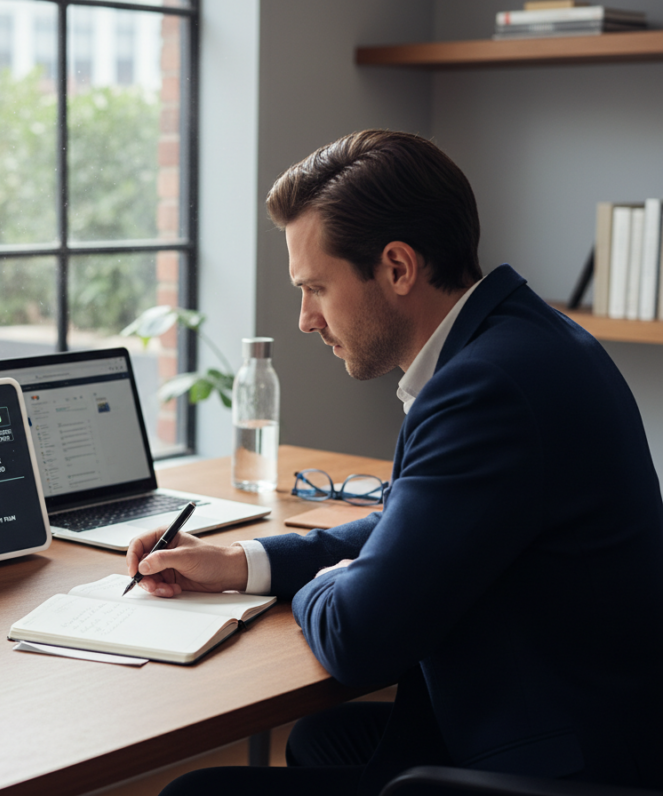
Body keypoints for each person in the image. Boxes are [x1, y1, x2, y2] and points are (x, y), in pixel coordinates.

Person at [126, 130, 663, 796]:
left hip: (557, 766)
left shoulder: (486, 390)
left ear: (398, 268)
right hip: (572, 716)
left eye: (316, 288)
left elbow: (358, 637)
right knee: (321, 739)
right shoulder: (525, 341)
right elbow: (412, 523)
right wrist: (243, 565)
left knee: (195, 794)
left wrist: (338, 582)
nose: (304, 319)